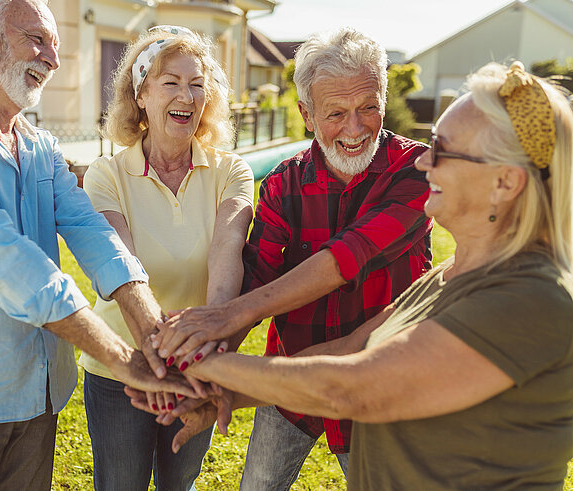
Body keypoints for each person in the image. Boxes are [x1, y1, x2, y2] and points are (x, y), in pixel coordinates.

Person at [136, 60, 573, 489]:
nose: (425, 163)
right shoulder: (447, 277)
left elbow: (350, 388)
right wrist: (222, 396)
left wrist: (205, 362)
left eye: (444, 150)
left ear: (505, 183)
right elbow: (346, 350)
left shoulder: (529, 298)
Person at [0, 0, 196, 488]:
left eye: (56, 45)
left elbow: (95, 235)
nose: (52, 58)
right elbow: (5, 260)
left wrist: (153, 334)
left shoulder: (41, 148)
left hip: (37, 404)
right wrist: (124, 358)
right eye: (38, 39)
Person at [152, 27, 431, 484]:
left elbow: (347, 256)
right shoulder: (284, 184)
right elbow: (257, 275)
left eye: (369, 107)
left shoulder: (418, 170)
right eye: (336, 113)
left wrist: (225, 319)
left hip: (379, 378)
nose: (356, 128)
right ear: (306, 113)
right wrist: (202, 366)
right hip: (289, 378)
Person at [80, 25, 254, 490]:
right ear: (141, 95)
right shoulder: (105, 174)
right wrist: (158, 360)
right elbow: (120, 262)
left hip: (196, 361)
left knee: (181, 482)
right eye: (171, 82)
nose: (187, 95)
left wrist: (197, 350)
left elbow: (227, 250)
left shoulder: (231, 170)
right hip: (121, 365)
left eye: (198, 84)